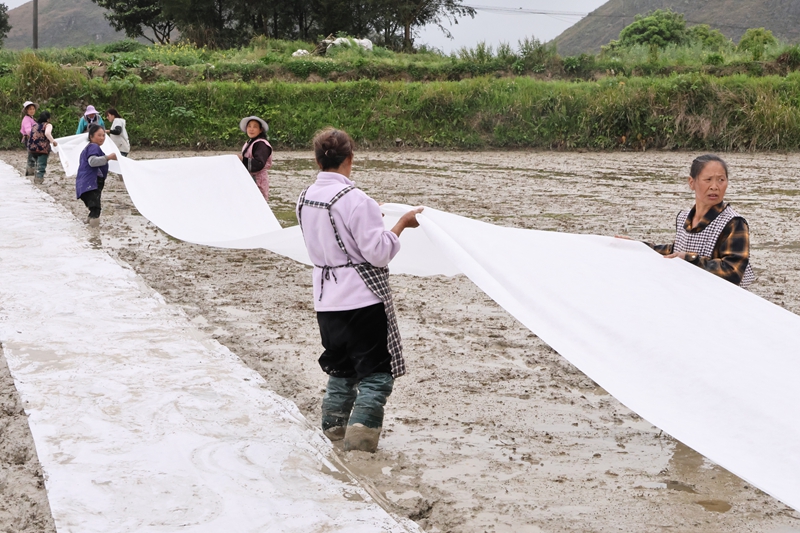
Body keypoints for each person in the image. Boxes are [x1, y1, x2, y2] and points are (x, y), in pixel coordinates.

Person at [296, 127, 423, 453]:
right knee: (377, 377)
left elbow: (335, 233)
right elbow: (378, 253)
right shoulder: (357, 200)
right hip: (361, 301)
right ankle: (360, 448)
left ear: (317, 159)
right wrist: (400, 224)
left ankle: (332, 437)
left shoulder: (305, 197)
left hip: (325, 302)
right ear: (350, 160)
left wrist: (370, 215)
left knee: (342, 371)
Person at [622, 154, 754, 288]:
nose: (715, 186)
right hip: (691, 291)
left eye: (721, 180)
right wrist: (638, 246)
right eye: (708, 179)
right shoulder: (683, 217)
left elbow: (733, 271)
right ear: (692, 183)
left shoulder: (734, 223)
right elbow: (675, 250)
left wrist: (689, 260)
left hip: (719, 298)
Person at [76, 124, 117, 227]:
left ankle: (88, 229)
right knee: (96, 210)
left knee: (93, 209)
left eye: (103, 135)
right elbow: (92, 162)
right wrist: (108, 157)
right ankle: (95, 237)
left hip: (84, 185)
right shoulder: (93, 147)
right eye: (99, 135)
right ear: (91, 136)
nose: (102, 138)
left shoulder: (89, 148)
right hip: (91, 185)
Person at [237, 115, 272, 201]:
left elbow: (259, 164)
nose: (251, 129)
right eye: (249, 126)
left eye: (255, 127)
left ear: (261, 130)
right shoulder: (250, 142)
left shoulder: (262, 144)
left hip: (258, 180)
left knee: (258, 202)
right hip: (249, 178)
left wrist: (242, 159)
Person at [26, 111, 58, 185]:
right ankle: (39, 178)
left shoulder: (34, 125)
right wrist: (53, 141)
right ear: (48, 119)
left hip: (32, 147)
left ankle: (30, 170)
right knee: (41, 164)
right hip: (42, 148)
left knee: (32, 161)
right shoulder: (48, 125)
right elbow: (47, 133)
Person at [20, 101, 38, 176]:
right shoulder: (27, 119)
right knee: (32, 155)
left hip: (32, 138)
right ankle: (30, 172)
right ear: (26, 110)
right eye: (30, 109)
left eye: (33, 109)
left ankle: (30, 171)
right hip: (29, 139)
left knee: (33, 154)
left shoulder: (31, 118)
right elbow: (28, 130)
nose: (32, 110)